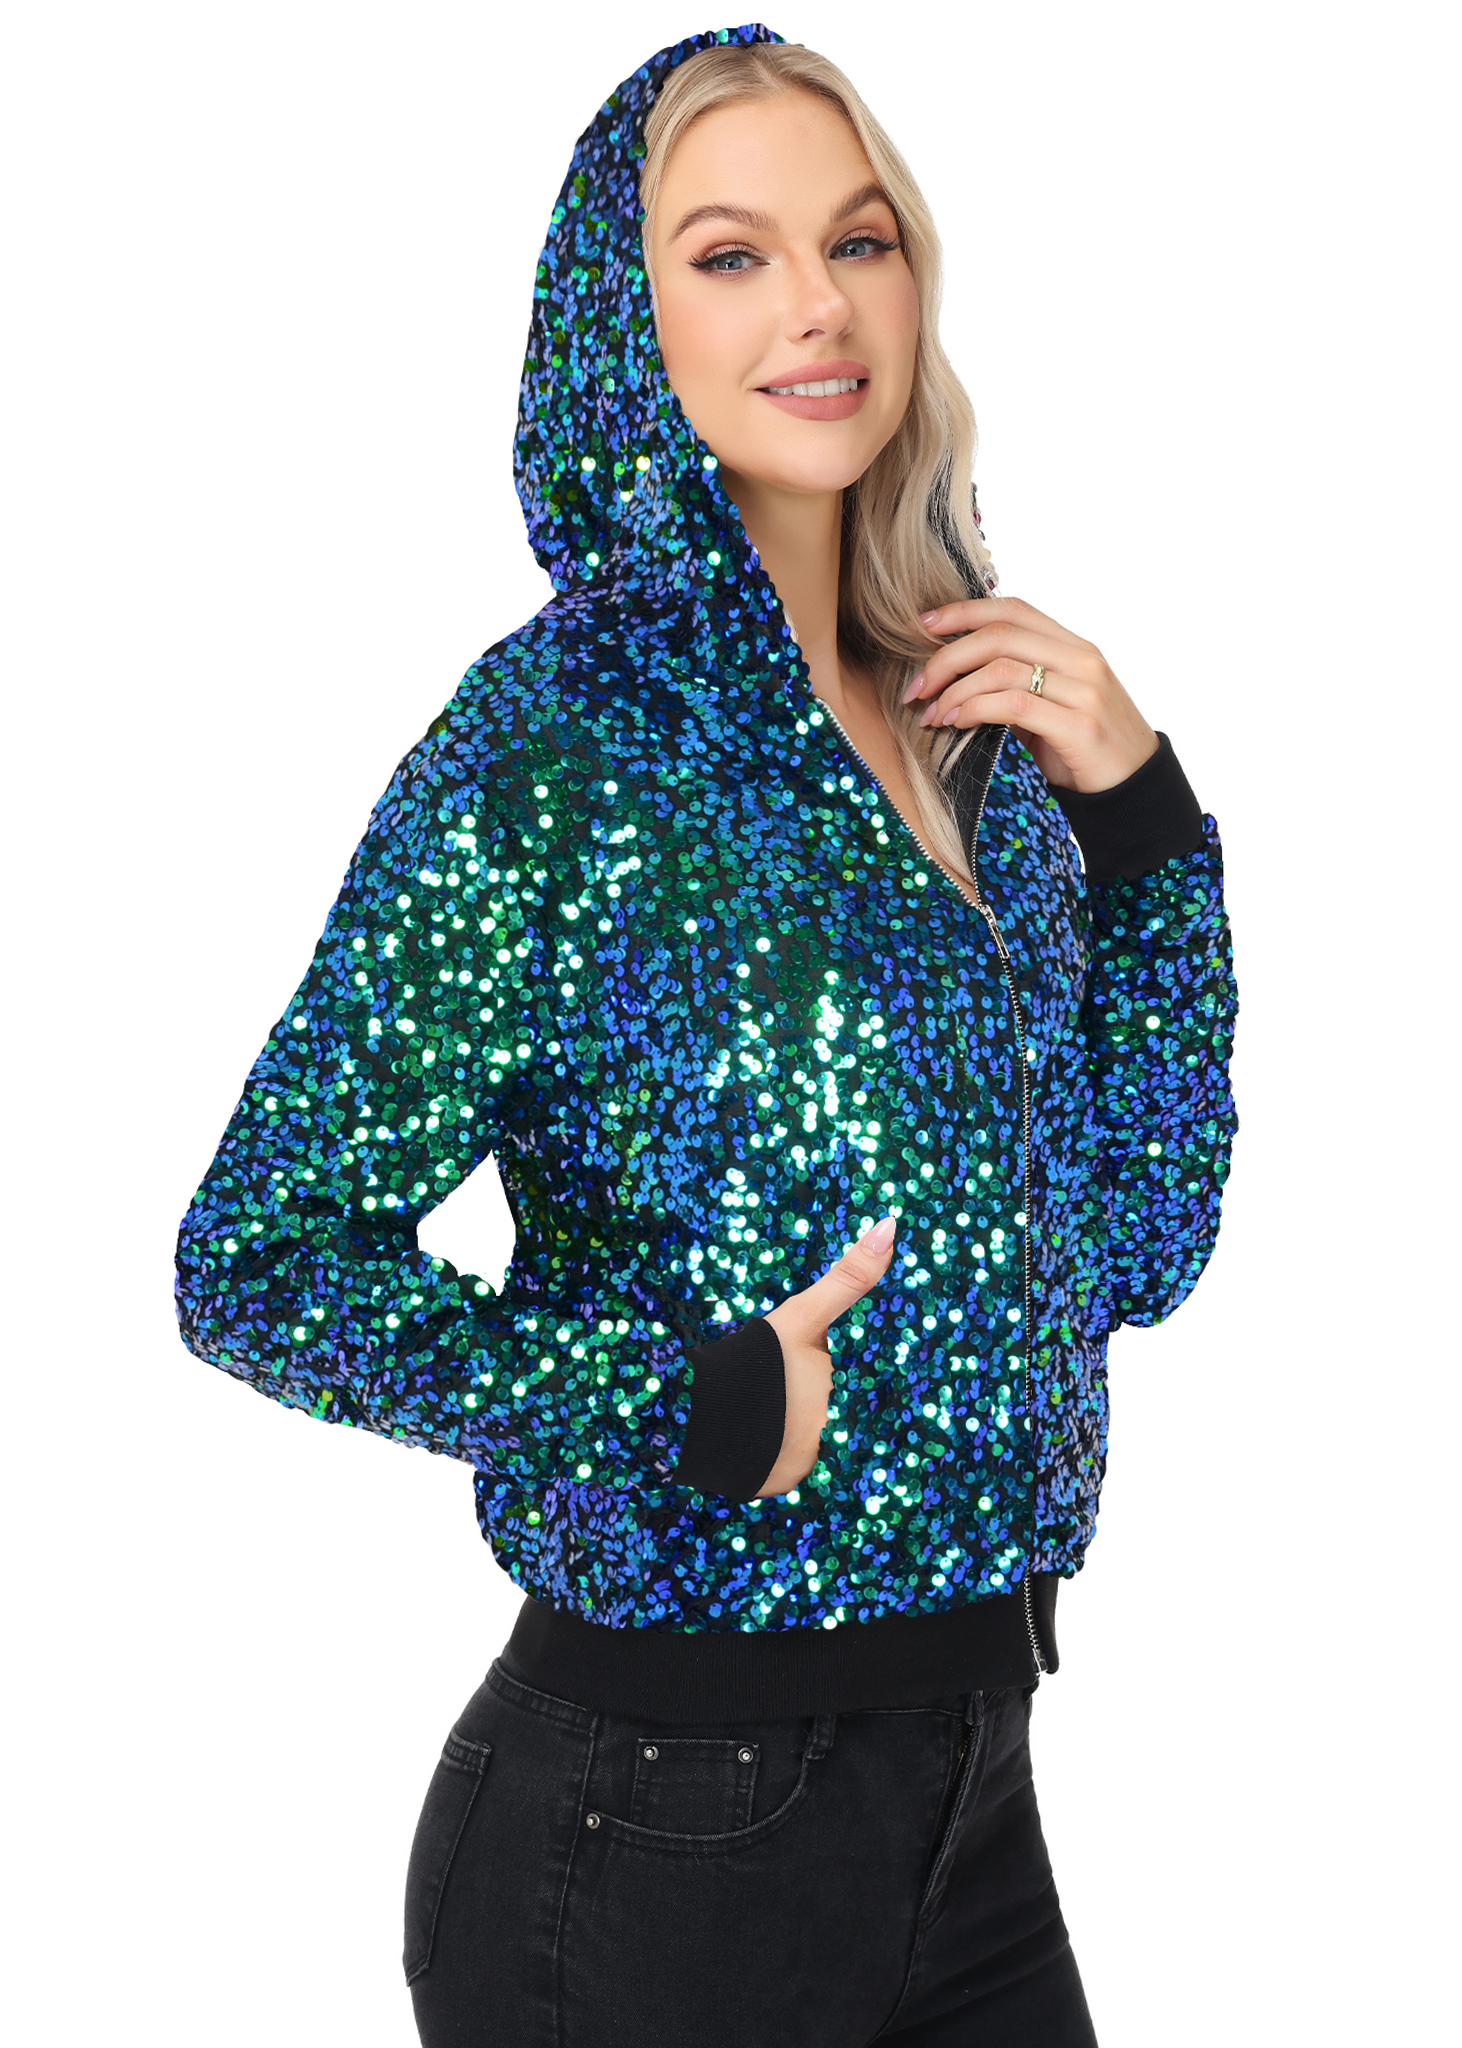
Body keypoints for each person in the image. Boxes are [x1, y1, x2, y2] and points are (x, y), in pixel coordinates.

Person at [175, 24, 1237, 2047]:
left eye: (859, 241)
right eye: (730, 255)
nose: (816, 305)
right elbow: (254, 1264)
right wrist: (679, 1401)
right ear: (621, 319)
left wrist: (1143, 832)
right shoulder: (557, 745)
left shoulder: (970, 726)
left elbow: (1141, 1248)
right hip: (658, 1830)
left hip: (974, 1793)